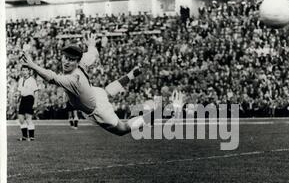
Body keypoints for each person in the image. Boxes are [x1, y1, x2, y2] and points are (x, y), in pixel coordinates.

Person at [20, 33, 182, 136]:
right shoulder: (82, 62)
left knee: (122, 129)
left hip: (95, 108)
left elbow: (51, 77)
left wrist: (33, 65)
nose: (67, 62)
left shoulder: (72, 79)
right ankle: (132, 74)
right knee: (105, 92)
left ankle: (165, 112)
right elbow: (94, 54)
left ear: (77, 62)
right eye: (65, 57)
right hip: (92, 94)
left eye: (71, 59)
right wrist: (91, 44)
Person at [17, 65, 39, 141]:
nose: (25, 72)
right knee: (21, 119)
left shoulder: (32, 80)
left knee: (28, 118)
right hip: (23, 99)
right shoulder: (20, 80)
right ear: (21, 71)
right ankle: (24, 137)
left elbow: (36, 92)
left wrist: (35, 103)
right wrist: (18, 97)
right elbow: (20, 91)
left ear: (29, 71)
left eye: (26, 70)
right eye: (23, 70)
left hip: (29, 99)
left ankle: (32, 137)